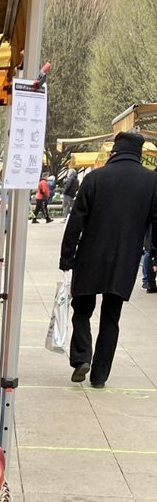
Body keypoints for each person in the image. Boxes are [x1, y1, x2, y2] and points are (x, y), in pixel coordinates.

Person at [60, 131, 157, 387]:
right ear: (139, 154)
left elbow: (76, 220)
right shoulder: (152, 181)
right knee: (111, 316)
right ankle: (100, 376)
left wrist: (67, 256)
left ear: (114, 151)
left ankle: (82, 356)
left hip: (90, 255)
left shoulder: (94, 178)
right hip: (126, 259)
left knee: (81, 309)